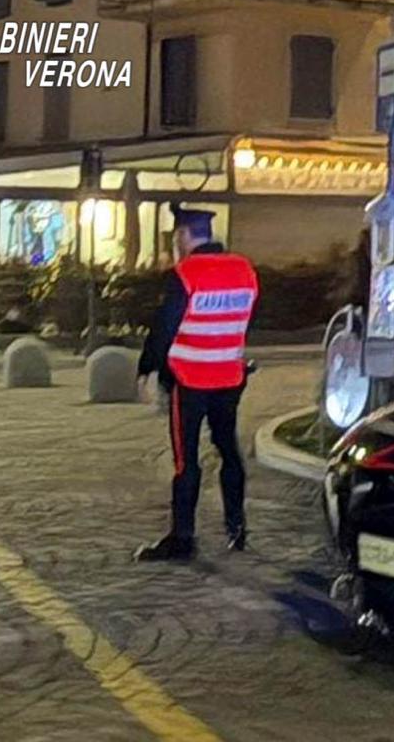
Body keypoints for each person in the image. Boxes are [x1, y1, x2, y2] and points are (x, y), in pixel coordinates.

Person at [134, 206, 259, 561]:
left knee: (185, 460)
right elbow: (244, 320)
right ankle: (237, 527)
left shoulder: (185, 274)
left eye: (178, 238)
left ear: (184, 236)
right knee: (228, 449)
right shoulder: (245, 271)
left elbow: (164, 328)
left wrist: (148, 369)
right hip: (229, 377)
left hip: (190, 380)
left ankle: (182, 537)